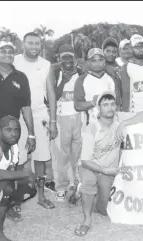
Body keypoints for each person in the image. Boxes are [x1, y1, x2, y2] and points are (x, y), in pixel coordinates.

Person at [75, 91, 143, 236]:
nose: (110, 108)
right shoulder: (91, 128)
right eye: (105, 105)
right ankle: (86, 220)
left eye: (112, 104)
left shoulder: (119, 120)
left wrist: (124, 123)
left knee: (106, 211)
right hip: (89, 167)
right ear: (98, 108)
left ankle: (90, 196)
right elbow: (85, 161)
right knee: (89, 182)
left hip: (107, 170)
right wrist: (105, 171)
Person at [13, 32, 58, 210]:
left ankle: (41, 196)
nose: (34, 47)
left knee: (41, 159)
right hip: (18, 116)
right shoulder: (14, 61)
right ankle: (15, 198)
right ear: (23, 44)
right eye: (30, 43)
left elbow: (51, 94)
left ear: (41, 45)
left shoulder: (46, 64)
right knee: (18, 160)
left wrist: (53, 121)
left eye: (37, 44)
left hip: (40, 116)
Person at [49, 44, 84, 203]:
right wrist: (63, 81)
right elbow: (52, 97)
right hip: (61, 117)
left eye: (70, 57)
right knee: (61, 155)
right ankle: (61, 187)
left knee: (78, 154)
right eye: (64, 57)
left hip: (79, 117)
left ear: (74, 58)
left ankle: (76, 184)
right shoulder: (54, 73)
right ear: (59, 58)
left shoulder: (82, 73)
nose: (68, 61)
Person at [74, 48, 121, 124]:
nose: (98, 63)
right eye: (93, 61)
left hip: (112, 124)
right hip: (92, 125)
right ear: (88, 62)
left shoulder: (112, 79)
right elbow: (77, 106)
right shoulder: (81, 80)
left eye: (100, 60)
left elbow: (118, 104)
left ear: (104, 61)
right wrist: (93, 102)